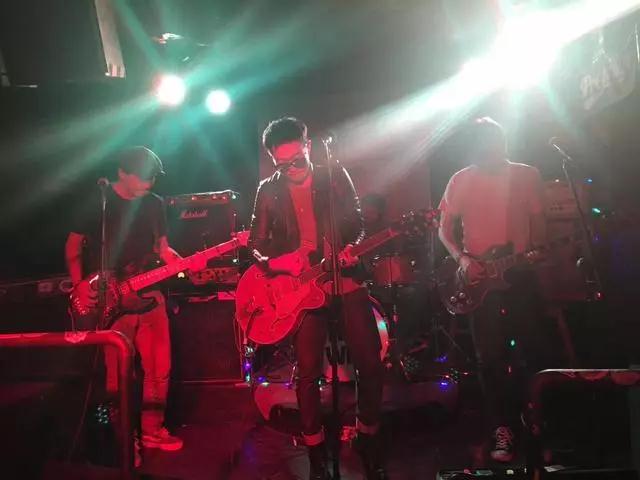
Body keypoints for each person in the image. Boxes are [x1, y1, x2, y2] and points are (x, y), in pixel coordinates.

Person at [249, 117, 387, 479]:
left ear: (308, 147)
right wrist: (279, 263)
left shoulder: (333, 175)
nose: (292, 170)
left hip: (344, 278)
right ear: (273, 160)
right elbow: (255, 246)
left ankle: (367, 437)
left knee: (370, 363)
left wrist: (353, 249)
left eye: (297, 160)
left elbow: (358, 224)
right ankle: (315, 452)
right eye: (283, 165)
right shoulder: (268, 190)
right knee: (308, 374)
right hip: (301, 289)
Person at [65, 146, 197, 465]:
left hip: (149, 294)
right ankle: (126, 439)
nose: (149, 183)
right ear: (122, 173)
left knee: (159, 368)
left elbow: (163, 248)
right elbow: (73, 247)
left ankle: (153, 429)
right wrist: (79, 285)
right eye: (143, 177)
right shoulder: (99, 200)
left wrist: (184, 263)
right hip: (109, 298)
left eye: (153, 178)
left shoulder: (154, 204)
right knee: (118, 377)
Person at [438, 117, 547, 463]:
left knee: (532, 350)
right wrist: (462, 259)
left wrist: (537, 250)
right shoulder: (461, 180)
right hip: (479, 279)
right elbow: (444, 230)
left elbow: (539, 227)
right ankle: (501, 428)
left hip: (519, 274)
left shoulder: (527, 175)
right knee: (489, 357)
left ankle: (536, 421)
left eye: (495, 144)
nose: (489, 152)